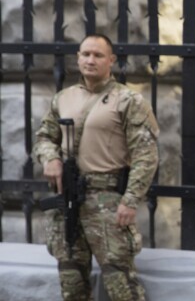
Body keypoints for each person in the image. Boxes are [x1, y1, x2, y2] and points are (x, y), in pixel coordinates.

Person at [33, 34, 159, 301]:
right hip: (68, 202)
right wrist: (51, 159)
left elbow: (146, 154)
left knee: (121, 286)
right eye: (85, 54)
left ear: (111, 60)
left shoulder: (128, 100)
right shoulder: (63, 98)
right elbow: (45, 136)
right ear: (78, 57)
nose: (90, 60)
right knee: (72, 283)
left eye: (98, 55)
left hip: (108, 202)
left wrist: (131, 199)